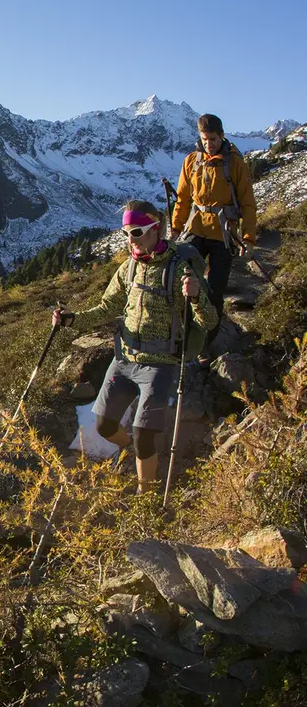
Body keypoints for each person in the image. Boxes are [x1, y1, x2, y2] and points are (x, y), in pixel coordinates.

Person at [53, 201, 218, 492]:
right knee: (104, 426)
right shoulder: (128, 268)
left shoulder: (179, 270)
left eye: (137, 231)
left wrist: (195, 297)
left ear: (156, 230)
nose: (131, 239)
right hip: (125, 358)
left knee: (145, 434)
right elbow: (107, 307)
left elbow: (209, 319)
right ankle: (128, 448)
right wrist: (71, 320)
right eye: (127, 232)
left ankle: (147, 496)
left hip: (161, 363)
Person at [170, 113, 256, 363]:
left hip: (223, 233)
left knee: (215, 290)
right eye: (205, 139)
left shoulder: (236, 164)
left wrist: (249, 238)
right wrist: (175, 229)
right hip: (195, 229)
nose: (209, 144)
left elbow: (248, 204)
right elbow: (184, 198)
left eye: (214, 139)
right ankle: (181, 338)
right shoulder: (191, 162)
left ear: (222, 136)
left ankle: (206, 344)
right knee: (183, 284)